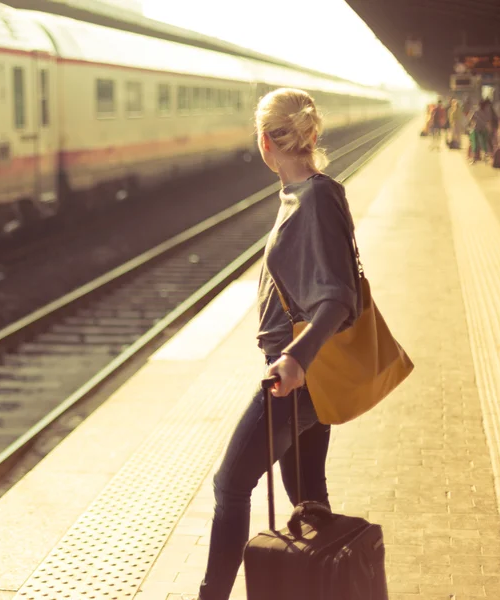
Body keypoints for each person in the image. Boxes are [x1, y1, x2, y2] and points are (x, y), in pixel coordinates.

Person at [191, 88, 363, 600]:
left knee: (230, 485)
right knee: (309, 499)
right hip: (307, 369)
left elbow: (337, 298)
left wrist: (294, 360)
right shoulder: (306, 192)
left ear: (266, 142)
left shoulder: (311, 199)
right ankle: (331, 587)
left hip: (300, 375)